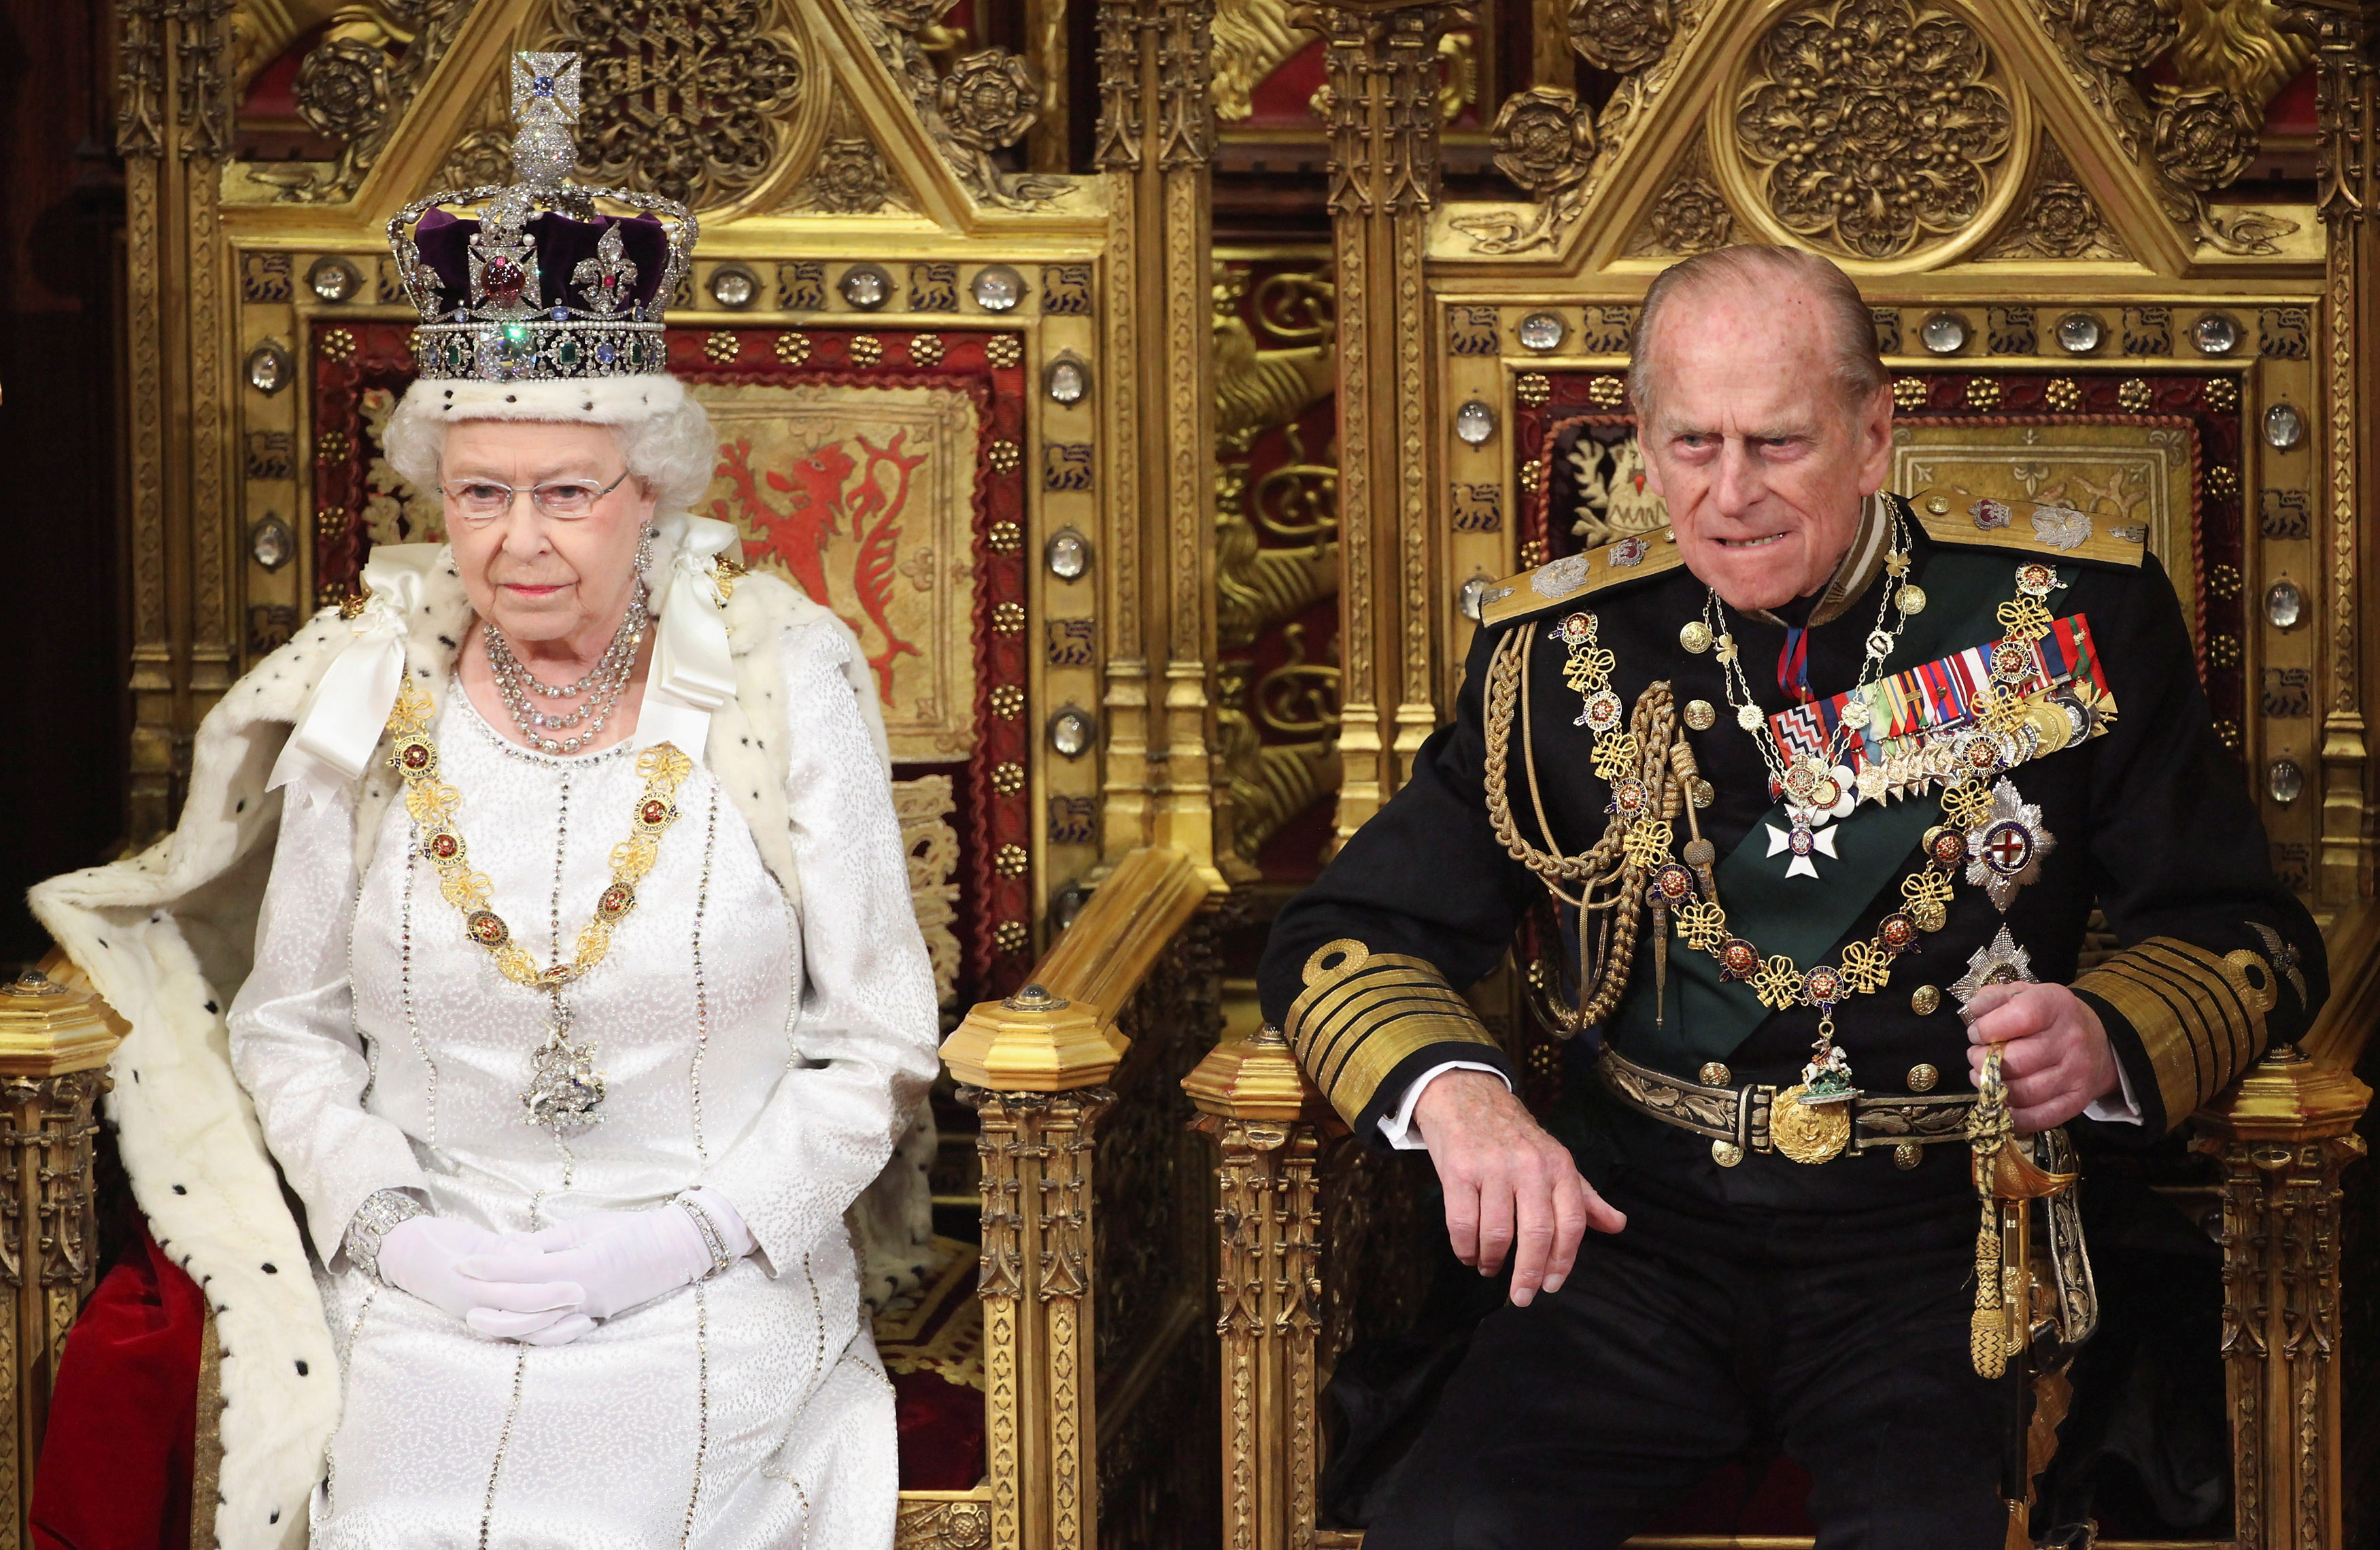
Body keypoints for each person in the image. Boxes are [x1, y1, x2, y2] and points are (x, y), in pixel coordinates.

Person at [1258, 243, 2326, 1547]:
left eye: (1777, 443)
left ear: (1874, 436)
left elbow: (2248, 937)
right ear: (1641, 449)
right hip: (1633, 1234)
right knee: (1449, 1528)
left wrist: (2106, 1036)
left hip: (1950, 1239)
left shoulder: (2056, 620)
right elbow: (1347, 933)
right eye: (1691, 443)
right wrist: (1464, 1097)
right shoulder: (1557, 654)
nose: (1728, 495)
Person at [31, 54, 939, 1548]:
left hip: (709, 1282)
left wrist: (683, 1239)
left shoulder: (785, 673)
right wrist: (401, 1234)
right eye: (480, 492)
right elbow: (290, 1028)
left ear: (651, 488)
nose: (519, 541)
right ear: (435, 491)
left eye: (567, 490)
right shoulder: (368, 689)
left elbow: (878, 1041)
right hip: (420, 1290)